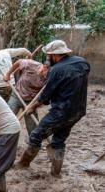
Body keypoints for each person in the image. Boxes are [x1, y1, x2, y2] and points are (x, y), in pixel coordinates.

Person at [18, 40, 90, 177]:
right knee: (59, 140)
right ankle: (56, 172)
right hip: (79, 110)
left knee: (36, 135)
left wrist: (33, 106)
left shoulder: (56, 70)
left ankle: (24, 163)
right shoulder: (82, 63)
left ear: (54, 55)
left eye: (48, 56)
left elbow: (46, 96)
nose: (47, 59)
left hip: (61, 111)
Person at [3, 59, 50, 137]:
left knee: (33, 127)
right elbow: (18, 61)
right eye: (48, 73)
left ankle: (32, 144)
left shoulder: (50, 78)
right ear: (44, 67)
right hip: (17, 95)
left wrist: (34, 105)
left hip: (31, 101)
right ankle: (2, 137)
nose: (48, 76)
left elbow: (45, 96)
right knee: (7, 118)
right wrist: (8, 74)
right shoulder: (31, 64)